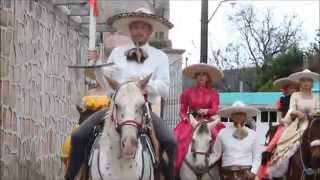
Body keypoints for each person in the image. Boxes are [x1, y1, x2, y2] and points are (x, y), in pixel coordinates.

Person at [65, 7, 177, 180]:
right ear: (129, 30)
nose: (138, 31)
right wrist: (97, 65)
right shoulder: (117, 53)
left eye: (142, 27)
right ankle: (71, 176)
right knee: (78, 136)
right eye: (135, 27)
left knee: (170, 142)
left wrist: (144, 84)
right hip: (115, 108)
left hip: (142, 110)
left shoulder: (160, 56)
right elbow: (106, 84)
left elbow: (165, 88)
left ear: (150, 30)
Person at [267, 69, 320, 178]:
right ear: (300, 82)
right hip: (297, 125)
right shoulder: (295, 95)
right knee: (283, 145)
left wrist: (307, 115)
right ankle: (281, 172)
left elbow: (318, 111)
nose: (306, 83)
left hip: (314, 124)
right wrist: (295, 113)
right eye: (303, 80)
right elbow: (291, 110)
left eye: (308, 81)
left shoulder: (316, 97)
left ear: (312, 83)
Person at [174, 63, 226, 172]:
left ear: (207, 78)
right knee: (179, 138)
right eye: (199, 74)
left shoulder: (214, 93)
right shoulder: (187, 93)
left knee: (220, 137)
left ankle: (223, 169)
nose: (201, 77)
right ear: (196, 77)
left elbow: (216, 108)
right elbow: (182, 110)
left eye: (204, 75)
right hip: (192, 121)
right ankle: (176, 168)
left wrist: (207, 111)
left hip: (209, 121)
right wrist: (185, 118)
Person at [257, 77, 298, 179]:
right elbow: (280, 115)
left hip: (300, 123)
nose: (289, 89)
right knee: (274, 140)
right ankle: (266, 164)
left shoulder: (299, 98)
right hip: (286, 124)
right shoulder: (281, 100)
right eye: (287, 87)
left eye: (291, 87)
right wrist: (283, 121)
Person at [210, 101, 261, 180]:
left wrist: (253, 172)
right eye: (236, 114)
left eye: (241, 114)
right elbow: (216, 154)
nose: (238, 116)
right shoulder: (222, 133)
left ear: (245, 116)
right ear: (231, 116)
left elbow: (257, 157)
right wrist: (204, 164)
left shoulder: (253, 135)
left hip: (247, 174)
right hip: (227, 174)